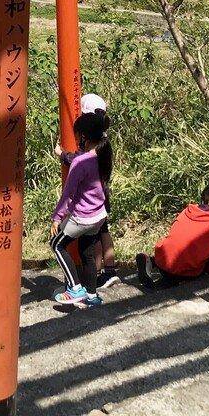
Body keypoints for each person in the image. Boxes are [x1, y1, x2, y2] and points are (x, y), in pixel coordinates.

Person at [56, 93, 123, 287]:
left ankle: (94, 274)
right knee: (103, 232)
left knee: (90, 240)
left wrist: (62, 154)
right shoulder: (103, 139)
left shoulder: (90, 142)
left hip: (89, 200)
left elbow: (78, 161)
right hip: (102, 195)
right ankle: (108, 270)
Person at [50, 111, 109, 306]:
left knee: (57, 245)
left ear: (84, 137)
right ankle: (92, 295)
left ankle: (75, 288)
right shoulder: (103, 153)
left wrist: (57, 217)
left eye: (77, 136)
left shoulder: (80, 162)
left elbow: (67, 194)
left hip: (82, 217)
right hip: (99, 215)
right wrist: (63, 155)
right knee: (86, 252)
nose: (76, 140)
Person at [135, 185, 209, 289]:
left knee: (176, 249)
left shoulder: (188, 210)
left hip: (161, 260)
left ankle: (150, 261)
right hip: (183, 272)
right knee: (195, 270)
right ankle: (169, 283)